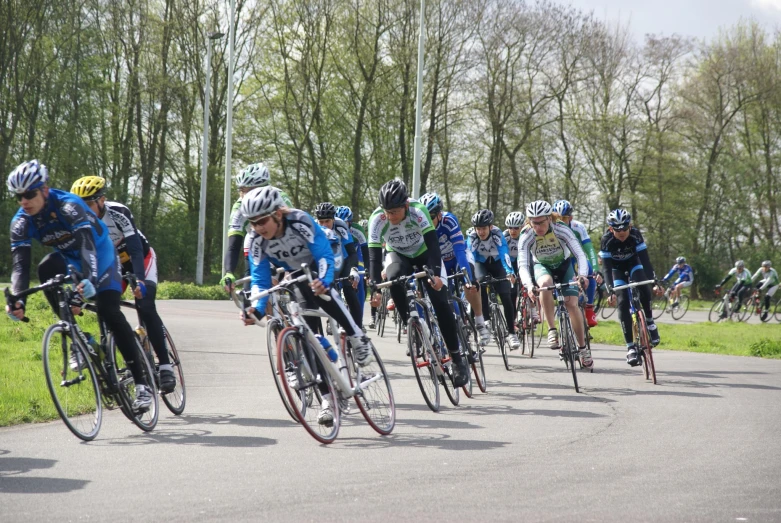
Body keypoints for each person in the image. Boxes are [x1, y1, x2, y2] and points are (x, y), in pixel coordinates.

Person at [6, 160, 153, 410]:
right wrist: (18, 298)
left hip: (101, 255)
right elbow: (20, 267)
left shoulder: (69, 205)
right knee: (45, 269)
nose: (24, 201)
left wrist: (85, 285)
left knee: (109, 311)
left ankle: (142, 386)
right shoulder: (21, 221)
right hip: (69, 259)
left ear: (44, 190)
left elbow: (88, 247)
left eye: (29, 194)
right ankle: (78, 337)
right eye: (18, 196)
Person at [241, 186, 372, 425]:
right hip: (293, 272)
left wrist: (324, 280)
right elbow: (260, 279)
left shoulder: (300, 220)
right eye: (252, 223)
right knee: (308, 335)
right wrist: (257, 309)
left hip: (319, 260)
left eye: (261, 221)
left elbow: (323, 255)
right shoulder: (256, 239)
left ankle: (356, 335)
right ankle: (327, 400)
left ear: (277, 214)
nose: (258, 227)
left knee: (323, 293)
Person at [70, 176, 176, 393]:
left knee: (145, 305)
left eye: (88, 203)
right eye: (80, 204)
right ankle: (113, 362)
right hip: (111, 264)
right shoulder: (76, 221)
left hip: (139, 259)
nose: (84, 209)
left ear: (102, 200)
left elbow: (136, 248)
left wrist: (139, 280)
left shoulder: (118, 212)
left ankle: (165, 366)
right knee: (105, 308)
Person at [367, 179, 469, 387]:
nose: (390, 217)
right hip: (398, 255)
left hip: (424, 253)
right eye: (387, 211)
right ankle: (412, 326)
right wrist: (375, 287)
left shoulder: (418, 210)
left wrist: (436, 275)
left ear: (405, 206)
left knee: (441, 302)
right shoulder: (377, 219)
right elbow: (374, 257)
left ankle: (458, 359)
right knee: (394, 278)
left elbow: (433, 245)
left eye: (394, 212)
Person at [518, 201, 592, 368]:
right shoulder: (526, 234)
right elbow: (523, 264)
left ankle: (582, 348)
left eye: (541, 222)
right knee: (544, 283)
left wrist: (582, 275)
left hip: (564, 265)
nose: (537, 227)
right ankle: (552, 329)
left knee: (571, 304)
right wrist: (529, 286)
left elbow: (580, 254)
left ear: (549, 218)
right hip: (542, 266)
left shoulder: (561, 229)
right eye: (533, 222)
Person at [420, 192, 490, 345]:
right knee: (445, 297)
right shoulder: (420, 226)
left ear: (439, 214)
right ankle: (459, 329)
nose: (428, 222)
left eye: (431, 217)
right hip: (441, 263)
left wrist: (468, 277)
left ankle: (479, 320)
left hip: (458, 257)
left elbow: (459, 250)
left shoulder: (449, 221)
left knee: (470, 285)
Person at [599, 208, 661, 366]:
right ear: (611, 229)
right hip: (616, 270)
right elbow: (606, 268)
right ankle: (630, 348)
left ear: (630, 226)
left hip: (634, 264)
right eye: (617, 229)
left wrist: (654, 280)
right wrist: (610, 289)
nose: (621, 232)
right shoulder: (606, 239)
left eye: (625, 228)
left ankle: (649, 321)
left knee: (643, 285)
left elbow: (645, 260)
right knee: (623, 301)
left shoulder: (635, 234)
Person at [221, 163, 292, 293]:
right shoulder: (239, 208)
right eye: (241, 190)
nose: (243, 196)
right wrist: (229, 272)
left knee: (297, 286)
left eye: (247, 190)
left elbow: (293, 231)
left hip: (285, 240)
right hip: (256, 241)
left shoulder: (280, 198)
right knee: (252, 291)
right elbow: (234, 245)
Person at [467, 209, 520, 351]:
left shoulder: (497, 234)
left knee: (506, 295)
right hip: (481, 264)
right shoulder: (472, 236)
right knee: (479, 283)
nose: (481, 232)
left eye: (484, 228)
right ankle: (485, 320)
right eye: (478, 229)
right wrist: (470, 278)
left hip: (497, 264)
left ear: (490, 227)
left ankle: (511, 333)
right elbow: (470, 256)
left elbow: (504, 253)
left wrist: (509, 272)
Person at [552, 199, 600, 327]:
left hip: (576, 258)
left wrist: (596, 268)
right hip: (561, 260)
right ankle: (561, 305)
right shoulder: (550, 228)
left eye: (564, 218)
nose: (561, 221)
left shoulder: (578, 227)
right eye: (558, 218)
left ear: (571, 218)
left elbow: (589, 248)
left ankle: (589, 308)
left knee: (589, 271)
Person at [315, 202, 363, 328]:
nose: (324, 225)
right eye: (321, 222)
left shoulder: (341, 225)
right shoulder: (313, 227)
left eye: (327, 221)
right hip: (325, 261)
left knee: (349, 292)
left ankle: (358, 332)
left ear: (333, 219)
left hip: (343, 258)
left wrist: (353, 269)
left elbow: (352, 252)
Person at [335, 205, 369, 326]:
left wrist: (367, 269)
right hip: (340, 256)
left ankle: (358, 319)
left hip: (355, 255)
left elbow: (365, 250)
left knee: (358, 280)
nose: (343, 225)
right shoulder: (333, 227)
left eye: (346, 223)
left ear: (351, 222)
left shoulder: (357, 230)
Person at [505, 211, 540, 325]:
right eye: (510, 227)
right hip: (511, 262)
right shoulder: (504, 236)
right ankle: (514, 319)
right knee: (512, 292)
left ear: (522, 227)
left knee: (530, 280)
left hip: (526, 260)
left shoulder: (528, 234)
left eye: (516, 228)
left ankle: (534, 311)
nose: (513, 231)